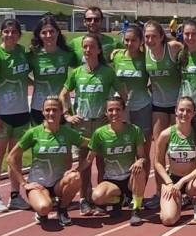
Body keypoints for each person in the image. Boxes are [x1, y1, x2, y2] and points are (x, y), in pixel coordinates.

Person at [60, 35, 126, 216]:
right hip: (82, 125)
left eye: (91, 47)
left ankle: (101, 199)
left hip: (101, 124)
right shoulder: (76, 73)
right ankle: (84, 199)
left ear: (98, 50)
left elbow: (123, 94)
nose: (87, 50)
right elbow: (63, 94)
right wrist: (67, 115)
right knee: (84, 164)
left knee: (103, 163)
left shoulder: (108, 72)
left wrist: (113, 114)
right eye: (85, 47)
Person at [7, 97, 87, 226]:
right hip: (38, 185)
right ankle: (42, 210)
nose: (51, 113)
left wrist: (79, 168)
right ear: (43, 112)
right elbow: (11, 158)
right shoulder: (33, 133)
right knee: (45, 208)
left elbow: (91, 145)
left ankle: (62, 209)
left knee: (75, 177)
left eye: (55, 110)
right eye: (47, 110)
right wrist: (23, 183)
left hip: (58, 184)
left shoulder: (67, 132)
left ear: (61, 112)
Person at [0, 18, 31, 212]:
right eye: (6, 31)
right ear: (1, 33)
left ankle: (15, 195)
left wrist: (37, 84)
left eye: (14, 32)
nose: (10, 35)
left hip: (21, 112)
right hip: (1, 114)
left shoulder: (21, 53)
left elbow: (23, 77)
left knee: (16, 156)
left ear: (19, 35)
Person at [87, 97, 148, 225]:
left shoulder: (134, 130)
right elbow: (89, 159)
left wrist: (139, 161)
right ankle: (117, 201)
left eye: (118, 110)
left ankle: (136, 210)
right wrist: (74, 171)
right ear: (106, 112)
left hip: (130, 178)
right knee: (96, 197)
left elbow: (142, 157)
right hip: (111, 180)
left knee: (140, 170)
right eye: (110, 110)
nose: (114, 113)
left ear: (124, 111)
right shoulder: (99, 133)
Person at [143, 20, 183, 209]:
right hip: (158, 105)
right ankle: (160, 192)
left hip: (177, 106)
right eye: (147, 37)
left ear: (161, 36)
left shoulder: (173, 48)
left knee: (179, 146)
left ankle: (183, 189)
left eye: (153, 36)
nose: (150, 40)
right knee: (159, 148)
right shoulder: (145, 53)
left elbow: (192, 49)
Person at [153, 97, 196, 225]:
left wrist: (183, 181)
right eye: (181, 110)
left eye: (188, 111)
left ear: (194, 113)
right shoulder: (166, 134)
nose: (184, 114)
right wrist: (169, 182)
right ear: (176, 111)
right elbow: (157, 162)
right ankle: (177, 202)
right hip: (172, 181)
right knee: (168, 220)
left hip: (190, 181)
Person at [28, 15, 77, 126]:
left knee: (65, 141)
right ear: (39, 35)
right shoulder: (33, 55)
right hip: (39, 106)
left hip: (63, 106)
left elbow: (81, 69)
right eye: (44, 32)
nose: (48, 35)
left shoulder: (67, 53)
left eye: (51, 31)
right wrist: (34, 83)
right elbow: (20, 75)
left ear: (58, 32)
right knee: (41, 141)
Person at [111, 26, 152, 158]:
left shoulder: (146, 58)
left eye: (133, 40)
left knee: (143, 152)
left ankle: (142, 179)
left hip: (142, 108)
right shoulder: (117, 56)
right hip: (122, 110)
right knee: (124, 149)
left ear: (141, 41)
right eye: (127, 40)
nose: (129, 43)